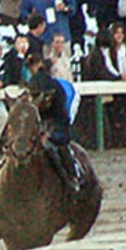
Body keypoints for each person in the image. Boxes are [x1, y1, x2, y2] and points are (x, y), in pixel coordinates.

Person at [26, 53, 83, 194]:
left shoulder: (59, 96)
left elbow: (63, 121)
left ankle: (73, 174)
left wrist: (48, 134)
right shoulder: (32, 94)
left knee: (59, 143)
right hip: (45, 117)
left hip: (66, 108)